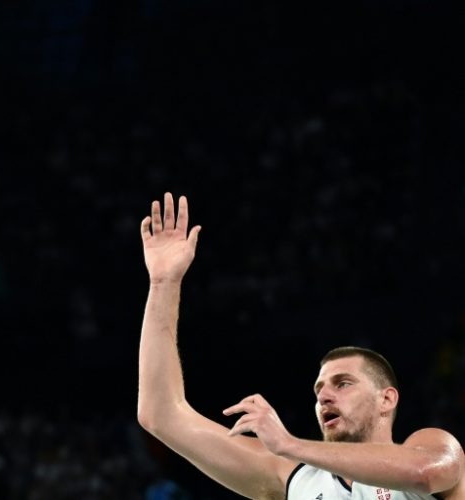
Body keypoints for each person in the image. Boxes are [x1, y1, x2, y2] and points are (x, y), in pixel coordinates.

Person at [136, 192, 465, 500]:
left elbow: (424, 473)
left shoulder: (429, 444)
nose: (324, 396)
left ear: (387, 398)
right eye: (319, 388)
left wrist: (289, 444)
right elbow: (161, 415)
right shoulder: (291, 475)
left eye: (344, 383)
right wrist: (164, 283)